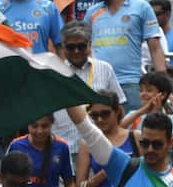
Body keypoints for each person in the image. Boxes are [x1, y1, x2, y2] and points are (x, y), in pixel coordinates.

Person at [87, 0, 165, 110]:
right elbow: (86, 50)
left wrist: (163, 88)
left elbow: (155, 48)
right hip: (99, 86)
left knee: (133, 133)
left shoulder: (142, 8)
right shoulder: (92, 12)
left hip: (130, 86)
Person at [51, 21, 125, 154]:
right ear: (63, 47)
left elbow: (118, 108)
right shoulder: (54, 73)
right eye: (71, 47)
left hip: (99, 148)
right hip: (65, 149)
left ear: (90, 44)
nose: (76, 51)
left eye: (81, 46)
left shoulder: (105, 69)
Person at [73, 98, 133, 187]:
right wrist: (104, 173)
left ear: (117, 111)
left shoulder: (134, 137)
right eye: (94, 115)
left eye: (105, 114)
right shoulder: (86, 144)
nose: (100, 119)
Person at [7, 114, 74, 187]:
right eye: (34, 126)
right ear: (28, 125)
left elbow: (69, 181)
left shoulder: (62, 147)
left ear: (52, 125)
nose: (39, 131)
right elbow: (7, 179)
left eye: (44, 126)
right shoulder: (16, 146)